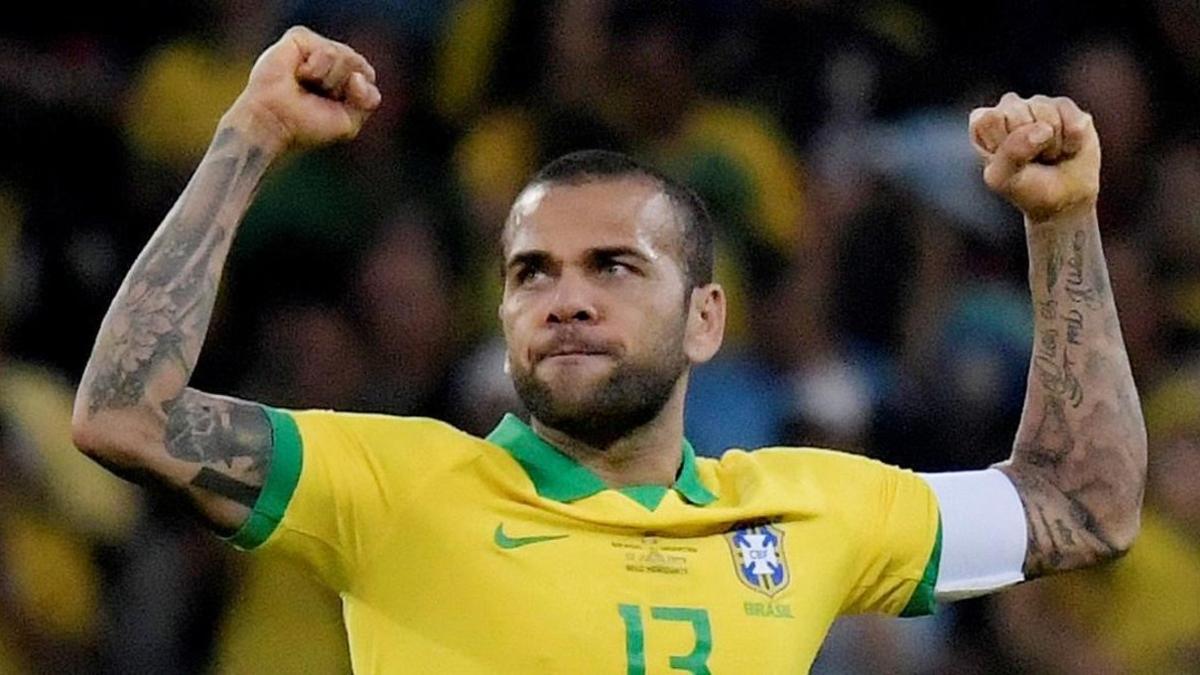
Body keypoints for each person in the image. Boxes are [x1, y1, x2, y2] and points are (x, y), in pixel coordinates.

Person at [71, 27, 1146, 673]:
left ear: (708, 320)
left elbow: (1083, 506)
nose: (565, 300)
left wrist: (1063, 224)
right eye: (532, 272)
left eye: (613, 268)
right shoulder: (395, 487)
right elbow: (125, 415)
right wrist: (247, 137)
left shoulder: (810, 512)